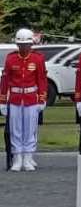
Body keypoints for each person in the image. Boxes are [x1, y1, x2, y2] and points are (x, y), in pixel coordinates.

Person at [1, 28, 47, 171]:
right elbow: (5, 80)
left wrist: (42, 98)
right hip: (15, 98)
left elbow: (42, 80)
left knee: (30, 129)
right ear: (17, 45)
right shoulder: (11, 58)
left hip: (31, 98)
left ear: (31, 45)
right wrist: (2, 100)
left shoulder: (38, 58)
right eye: (21, 44)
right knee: (16, 130)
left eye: (27, 44)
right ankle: (17, 158)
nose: (24, 47)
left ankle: (28, 157)